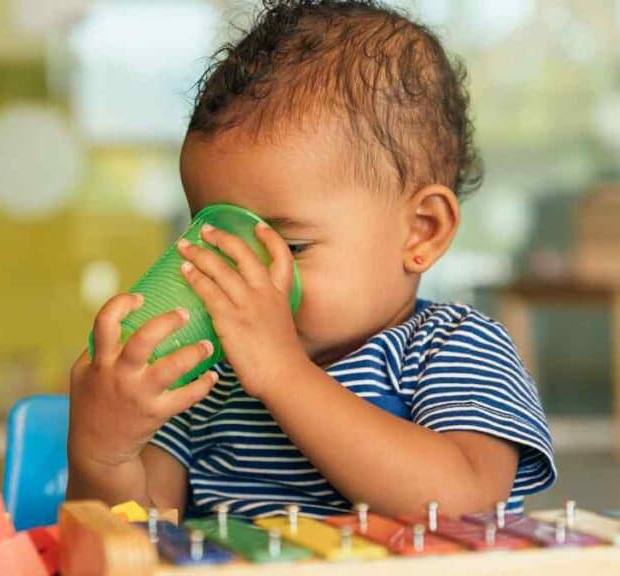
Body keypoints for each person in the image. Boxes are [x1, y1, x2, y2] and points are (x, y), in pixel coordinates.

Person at [67, 0, 555, 520]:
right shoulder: (205, 384)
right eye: (221, 244)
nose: (246, 279)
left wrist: (283, 373)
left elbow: (466, 502)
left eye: (292, 247)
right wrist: (104, 454)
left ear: (422, 231)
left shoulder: (454, 348)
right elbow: (137, 539)